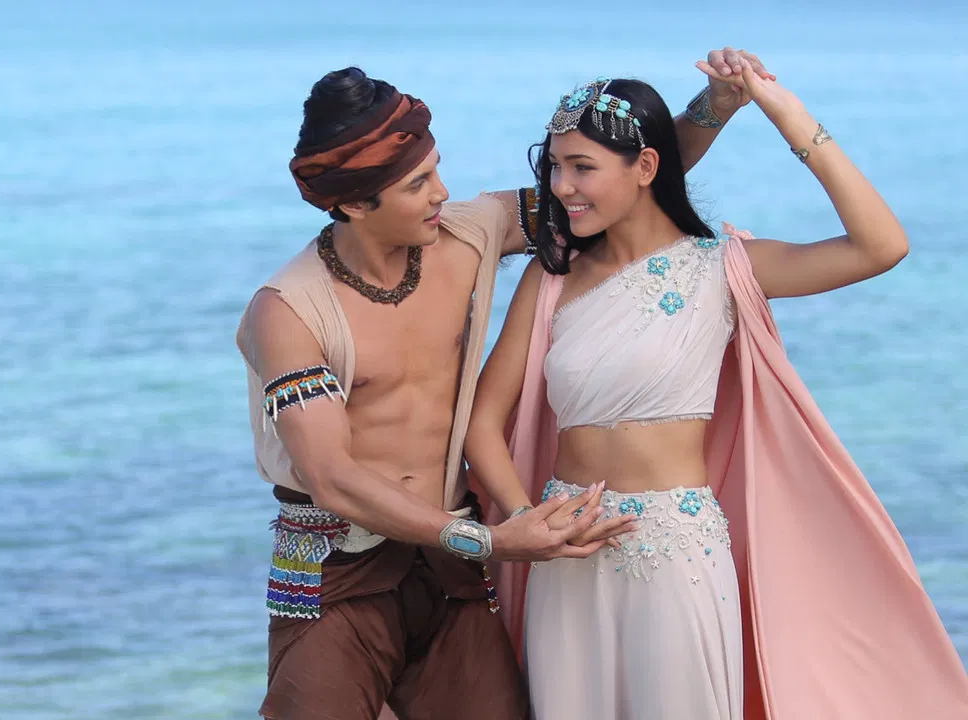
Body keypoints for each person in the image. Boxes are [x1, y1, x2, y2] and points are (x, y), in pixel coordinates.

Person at [235, 49, 765, 720]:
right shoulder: (287, 311)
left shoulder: (469, 232)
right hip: (336, 570)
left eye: (436, 170)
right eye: (417, 184)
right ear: (352, 203)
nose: (440, 194)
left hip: (449, 567)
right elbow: (332, 478)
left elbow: (615, 183)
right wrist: (490, 541)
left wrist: (713, 108)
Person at [464, 60, 968, 719]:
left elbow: (881, 246)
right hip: (565, 554)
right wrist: (526, 520)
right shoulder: (551, 278)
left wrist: (784, 113)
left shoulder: (723, 269)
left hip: (679, 555)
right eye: (555, 166)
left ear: (646, 167)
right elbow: (484, 421)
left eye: (582, 167)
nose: (562, 187)